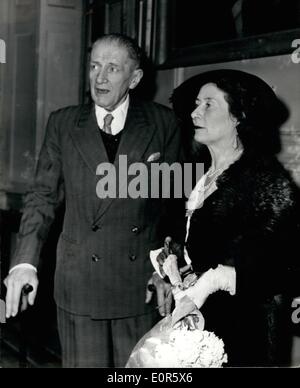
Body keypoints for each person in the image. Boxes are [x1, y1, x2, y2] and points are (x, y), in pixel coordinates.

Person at [3, 33, 183, 368]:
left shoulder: (163, 123)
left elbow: (170, 206)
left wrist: (166, 271)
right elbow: (42, 196)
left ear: (135, 78)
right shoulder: (63, 123)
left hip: (138, 287)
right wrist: (24, 262)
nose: (99, 77)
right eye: (94, 66)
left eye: (112, 68)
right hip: (80, 284)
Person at [158, 69, 300, 367]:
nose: (196, 112)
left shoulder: (265, 180)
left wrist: (213, 280)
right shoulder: (198, 174)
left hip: (246, 333)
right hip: (203, 327)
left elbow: (282, 266)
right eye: (197, 104)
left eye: (209, 104)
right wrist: (171, 271)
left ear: (238, 117)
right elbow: (197, 241)